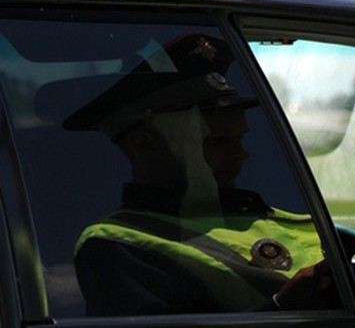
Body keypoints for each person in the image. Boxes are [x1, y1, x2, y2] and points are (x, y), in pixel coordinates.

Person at [63, 34, 334, 316]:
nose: (242, 154)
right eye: (216, 140)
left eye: (240, 137)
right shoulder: (118, 243)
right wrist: (281, 309)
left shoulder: (265, 214)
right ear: (145, 143)